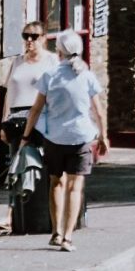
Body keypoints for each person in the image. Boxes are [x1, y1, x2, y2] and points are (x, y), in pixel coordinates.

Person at [34, 32, 108, 252]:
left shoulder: (50, 75)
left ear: (59, 51)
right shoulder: (87, 76)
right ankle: (67, 237)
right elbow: (99, 111)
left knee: (56, 183)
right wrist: (103, 136)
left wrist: (27, 135)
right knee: (75, 188)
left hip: (55, 137)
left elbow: (37, 108)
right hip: (81, 137)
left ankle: (56, 232)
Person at [0, 24, 56, 197]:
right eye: (25, 36)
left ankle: (41, 208)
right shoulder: (17, 61)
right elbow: (8, 93)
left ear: (44, 38)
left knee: (37, 164)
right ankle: (13, 214)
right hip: (16, 119)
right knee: (15, 164)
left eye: (34, 36)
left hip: (40, 118)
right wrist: (3, 122)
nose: (29, 40)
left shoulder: (51, 61)